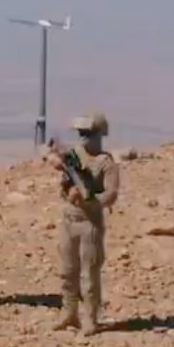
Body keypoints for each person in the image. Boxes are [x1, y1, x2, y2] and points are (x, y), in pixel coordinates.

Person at [46, 113, 120, 335]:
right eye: (81, 133)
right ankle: (69, 313)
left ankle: (90, 319)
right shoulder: (73, 157)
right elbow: (64, 183)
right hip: (70, 219)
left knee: (89, 274)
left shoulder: (106, 163)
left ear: (99, 134)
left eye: (89, 133)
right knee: (68, 271)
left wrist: (90, 199)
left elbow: (111, 194)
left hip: (90, 223)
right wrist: (69, 189)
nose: (84, 137)